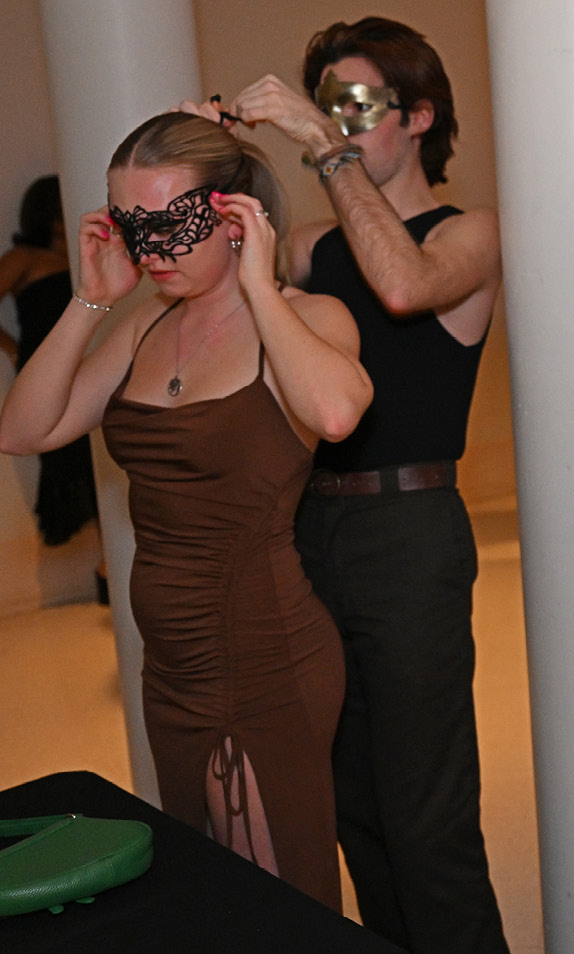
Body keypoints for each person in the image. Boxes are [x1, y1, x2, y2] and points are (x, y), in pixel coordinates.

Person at [0, 113, 372, 909]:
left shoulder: (306, 320)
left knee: (270, 902)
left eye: (172, 223)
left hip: (264, 654)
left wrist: (260, 286)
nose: (152, 249)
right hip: (170, 666)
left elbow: (338, 414)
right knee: (206, 888)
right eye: (132, 227)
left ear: (237, 215)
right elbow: (24, 429)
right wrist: (89, 302)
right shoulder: (144, 327)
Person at [201, 17, 507, 953]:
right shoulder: (311, 249)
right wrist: (207, 156)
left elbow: (406, 286)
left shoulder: (470, 232)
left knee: (428, 816)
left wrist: (319, 143)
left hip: (409, 528)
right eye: (325, 108)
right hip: (306, 531)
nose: (337, 123)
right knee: (353, 810)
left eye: (358, 106)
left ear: (418, 116)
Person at [0, 175, 99, 547]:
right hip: (47, 374)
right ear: (50, 215)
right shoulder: (24, 258)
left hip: (89, 369)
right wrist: (12, 348)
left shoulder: (86, 254)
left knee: (99, 466)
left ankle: (109, 571)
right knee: (66, 463)